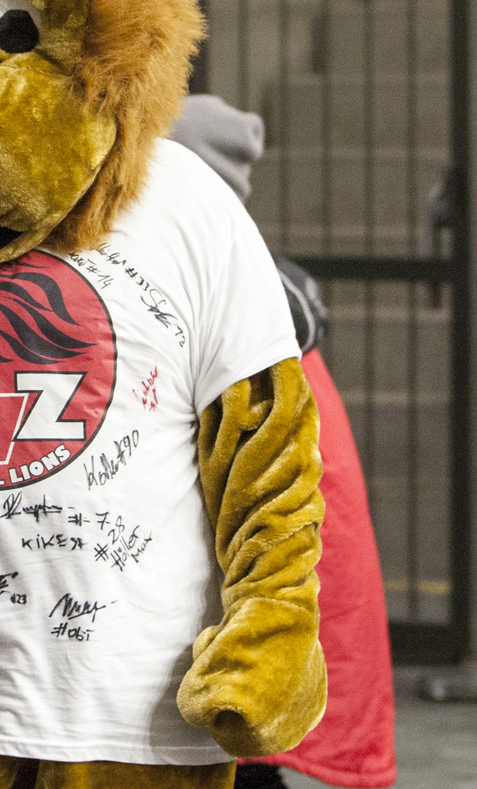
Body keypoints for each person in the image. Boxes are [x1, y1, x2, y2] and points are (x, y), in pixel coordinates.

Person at [171, 95, 397, 789]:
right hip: (252, 592)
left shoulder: (226, 288)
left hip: (240, 588)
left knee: (236, 759)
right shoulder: (259, 278)